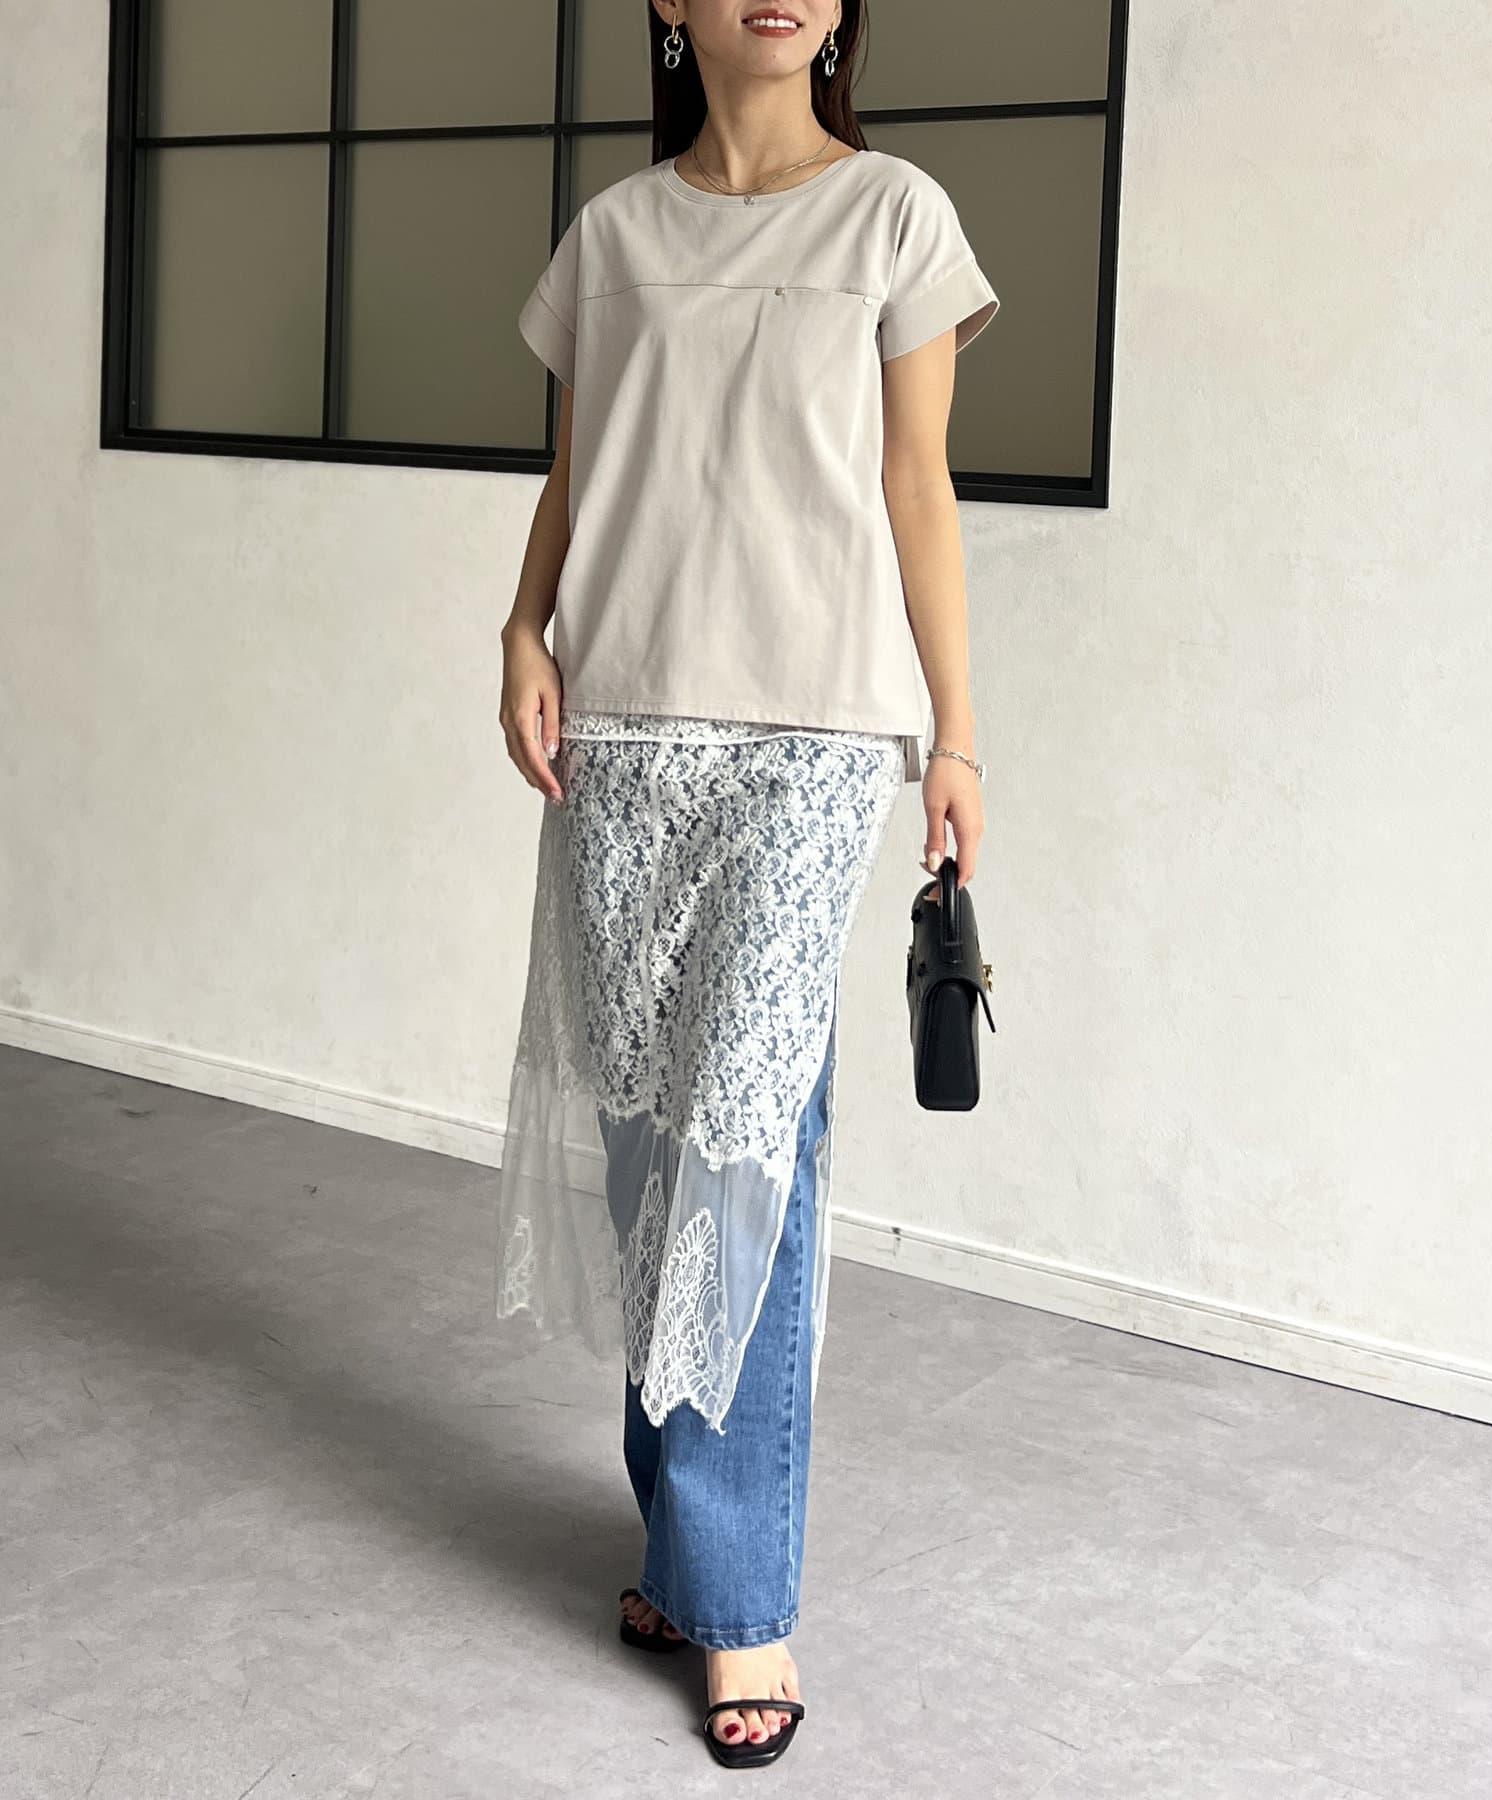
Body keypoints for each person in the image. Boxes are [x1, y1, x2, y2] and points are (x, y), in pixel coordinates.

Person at [494, 0, 996, 1768]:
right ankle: (682, 1548)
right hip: (624, 721)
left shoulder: (895, 215)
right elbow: (576, 479)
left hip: (814, 733)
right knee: (651, 1143)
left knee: (747, 1137)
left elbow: (918, 486)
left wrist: (956, 733)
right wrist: (521, 632)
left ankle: (741, 1602)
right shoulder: (612, 235)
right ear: (668, 5)